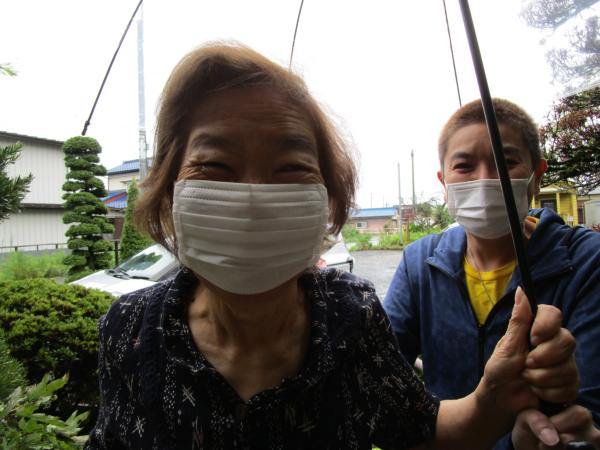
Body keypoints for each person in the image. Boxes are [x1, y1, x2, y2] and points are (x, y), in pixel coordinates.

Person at [86, 45, 578, 449]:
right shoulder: (129, 329)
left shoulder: (351, 315)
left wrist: (492, 399)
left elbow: (421, 431)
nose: (254, 196)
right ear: (169, 189)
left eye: (291, 168)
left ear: (329, 197)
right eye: (214, 165)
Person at [383, 98, 600, 449]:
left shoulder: (588, 260)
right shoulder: (418, 261)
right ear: (444, 183)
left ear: (536, 177)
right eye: (464, 166)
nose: (485, 179)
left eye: (506, 162)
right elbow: (382, 383)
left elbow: (591, 408)